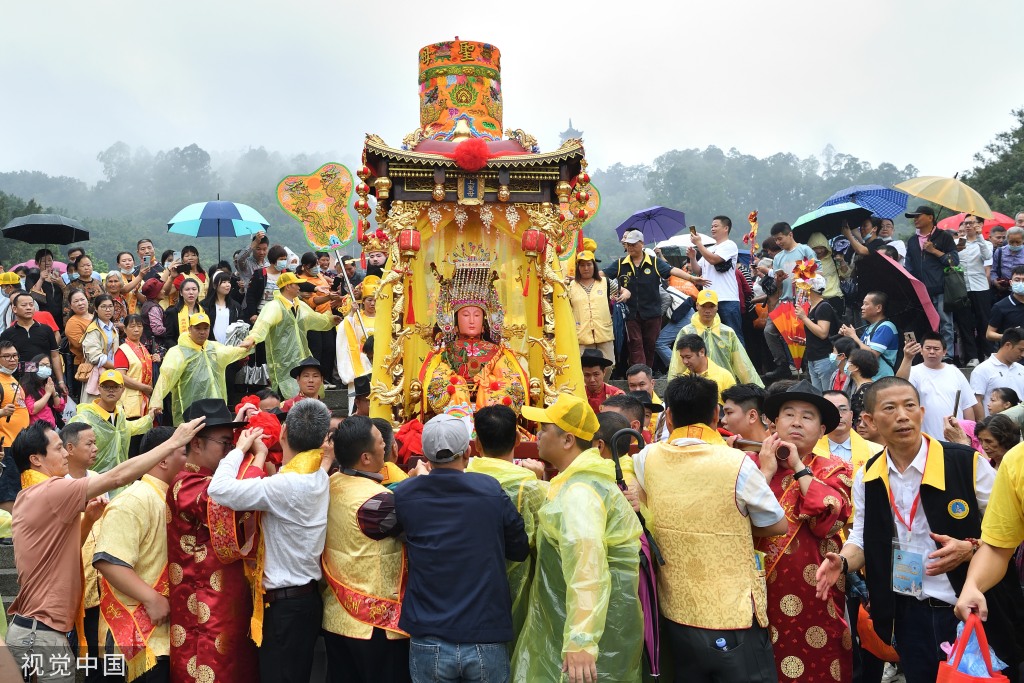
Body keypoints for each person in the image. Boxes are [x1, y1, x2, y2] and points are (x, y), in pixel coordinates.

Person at [815, 377, 1019, 683]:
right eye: (890, 408)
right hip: (909, 611)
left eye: (909, 406)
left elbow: (1009, 529)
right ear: (868, 420)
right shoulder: (868, 475)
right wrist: (843, 562)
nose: (902, 415)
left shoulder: (966, 463)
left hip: (971, 607)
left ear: (922, 412)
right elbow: (861, 535)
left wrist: (971, 548)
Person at [6, 417, 204, 683]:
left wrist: (88, 520)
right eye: (57, 448)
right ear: (36, 459)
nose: (66, 452)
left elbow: (58, 555)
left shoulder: (29, 495)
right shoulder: (50, 490)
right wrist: (173, 443)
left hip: (36, 630)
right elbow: (118, 476)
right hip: (40, 633)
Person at [632, 375, 786, 682]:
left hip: (674, 607)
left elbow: (648, 504)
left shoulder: (646, 457)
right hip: (732, 612)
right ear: (715, 415)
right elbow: (776, 524)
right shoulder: (737, 462)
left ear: (670, 416)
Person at [389, 413, 528, 683]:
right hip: (485, 631)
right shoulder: (489, 489)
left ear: (425, 457)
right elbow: (519, 548)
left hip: (429, 632)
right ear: (467, 452)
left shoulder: (406, 494)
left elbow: (376, 524)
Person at [513, 394, 642, 683]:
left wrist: (581, 641)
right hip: (586, 625)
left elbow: (588, 568)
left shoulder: (580, 493)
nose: (537, 435)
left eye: (544, 429)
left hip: (589, 638)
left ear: (568, 440)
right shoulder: (578, 483)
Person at [208, 399, 332, 682]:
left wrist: (240, 449)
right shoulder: (318, 477)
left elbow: (219, 489)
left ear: (284, 431)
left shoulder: (285, 485)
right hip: (304, 601)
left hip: (286, 609)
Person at [756, 380, 853, 682]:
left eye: (807, 416)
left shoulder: (836, 468)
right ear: (773, 422)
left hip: (817, 591)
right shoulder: (750, 465)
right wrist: (766, 472)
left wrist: (798, 465)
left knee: (822, 667)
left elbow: (829, 518)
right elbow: (735, 518)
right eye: (789, 414)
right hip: (760, 592)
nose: (797, 422)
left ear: (822, 430)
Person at [167, 399, 263, 682]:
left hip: (228, 599)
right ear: (196, 444)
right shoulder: (186, 484)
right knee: (211, 669)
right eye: (225, 443)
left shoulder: (212, 478)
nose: (232, 449)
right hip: (204, 604)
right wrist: (254, 457)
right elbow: (235, 502)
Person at [321, 415, 410, 683]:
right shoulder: (378, 503)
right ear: (366, 458)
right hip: (375, 627)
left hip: (336, 616)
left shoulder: (329, 483)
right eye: (382, 442)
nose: (387, 447)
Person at [91, 426, 183, 682]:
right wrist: (152, 599)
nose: (189, 461)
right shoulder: (134, 499)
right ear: (163, 458)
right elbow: (108, 561)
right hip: (131, 635)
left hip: (161, 636)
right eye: (184, 452)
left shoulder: (170, 497)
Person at [466, 404, 547, 647]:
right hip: (518, 579)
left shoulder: (463, 478)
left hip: (471, 580)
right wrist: (542, 480)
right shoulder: (530, 486)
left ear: (477, 444)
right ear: (518, 438)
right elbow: (543, 534)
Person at [603, 229, 700, 367]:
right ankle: (639, 374)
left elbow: (672, 270)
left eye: (633, 244)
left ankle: (646, 374)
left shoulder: (654, 262)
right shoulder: (620, 264)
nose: (630, 247)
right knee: (635, 344)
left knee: (650, 345)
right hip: (631, 314)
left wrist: (692, 278)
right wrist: (582, 276)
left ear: (642, 243)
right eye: (628, 245)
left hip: (652, 313)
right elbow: (603, 274)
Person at [242, 271, 341, 399]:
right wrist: (252, 339)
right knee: (286, 395)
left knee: (305, 394)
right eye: (296, 284)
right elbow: (262, 325)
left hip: (301, 358)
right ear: (288, 286)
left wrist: (330, 320)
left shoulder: (300, 306)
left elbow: (315, 319)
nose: (299, 287)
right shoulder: (274, 306)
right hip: (283, 360)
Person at [150, 312, 251, 425]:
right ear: (189, 329)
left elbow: (233, 351)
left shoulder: (214, 348)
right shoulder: (177, 352)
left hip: (216, 409)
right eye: (197, 328)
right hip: (189, 411)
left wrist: (250, 343)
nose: (202, 332)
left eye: (205, 328)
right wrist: (156, 401)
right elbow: (166, 377)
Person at [667, 289, 762, 386]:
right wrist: (673, 389)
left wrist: (755, 388)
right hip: (696, 388)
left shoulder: (728, 333)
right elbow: (677, 364)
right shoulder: (686, 332)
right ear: (697, 306)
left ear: (717, 307)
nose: (707, 311)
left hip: (724, 385)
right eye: (703, 306)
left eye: (712, 306)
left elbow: (742, 364)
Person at [70, 369, 154, 476]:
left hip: (119, 479)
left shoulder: (120, 413)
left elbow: (128, 429)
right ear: (99, 389)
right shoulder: (85, 418)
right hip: (94, 482)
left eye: (115, 387)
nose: (111, 390)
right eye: (106, 386)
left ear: (122, 390)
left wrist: (150, 417)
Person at [897, 332, 980, 437]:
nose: (932, 352)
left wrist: (970, 435)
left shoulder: (955, 372)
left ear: (944, 352)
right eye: (928, 348)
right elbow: (898, 387)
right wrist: (907, 358)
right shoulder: (913, 371)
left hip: (956, 438)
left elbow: (967, 406)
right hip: (926, 438)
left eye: (936, 349)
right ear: (921, 350)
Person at [763, 222, 818, 379]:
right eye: (776, 240)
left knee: (803, 334)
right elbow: (776, 285)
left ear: (790, 234)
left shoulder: (804, 250)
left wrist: (802, 278)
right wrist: (778, 280)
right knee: (769, 331)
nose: (778, 243)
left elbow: (818, 272)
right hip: (784, 300)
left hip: (804, 299)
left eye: (780, 239)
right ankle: (782, 365)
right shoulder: (778, 257)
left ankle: (806, 366)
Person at [904, 205, 959, 351]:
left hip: (941, 289)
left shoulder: (944, 236)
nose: (915, 219)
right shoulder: (912, 241)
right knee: (926, 323)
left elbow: (953, 261)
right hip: (921, 291)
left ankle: (947, 355)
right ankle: (928, 353)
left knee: (945, 322)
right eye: (914, 217)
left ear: (930, 217)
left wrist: (933, 250)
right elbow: (908, 266)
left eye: (918, 216)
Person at [688, 215, 744, 340]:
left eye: (716, 226)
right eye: (712, 226)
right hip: (708, 300)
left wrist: (698, 243)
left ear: (726, 228)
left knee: (733, 336)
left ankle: (739, 360)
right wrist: (692, 258)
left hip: (727, 298)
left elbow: (713, 260)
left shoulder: (730, 245)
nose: (712, 228)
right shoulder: (711, 248)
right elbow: (698, 270)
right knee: (712, 336)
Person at [0, 290, 66, 392]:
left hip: (45, 380)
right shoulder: (7, 334)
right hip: (18, 383)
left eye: (31, 305)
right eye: (24, 305)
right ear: (14, 309)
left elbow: (55, 355)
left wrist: (61, 381)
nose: (28, 307)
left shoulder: (46, 330)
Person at [567, 249, 617, 372]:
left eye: (589, 264)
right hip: (582, 334)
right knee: (583, 367)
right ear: (578, 267)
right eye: (582, 265)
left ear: (594, 266)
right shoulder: (570, 285)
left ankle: (604, 388)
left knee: (608, 365)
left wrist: (626, 293)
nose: (586, 268)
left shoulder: (605, 283)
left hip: (603, 331)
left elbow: (623, 291)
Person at [954, 215, 994, 366]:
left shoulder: (986, 243)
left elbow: (987, 256)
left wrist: (979, 237)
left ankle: (988, 353)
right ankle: (972, 357)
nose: (968, 226)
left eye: (972, 223)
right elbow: (952, 261)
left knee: (984, 321)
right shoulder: (957, 243)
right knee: (964, 323)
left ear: (980, 224)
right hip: (961, 287)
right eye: (966, 223)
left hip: (980, 286)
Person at [297, 251, 339, 387]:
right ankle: (314, 379)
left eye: (317, 264)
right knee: (316, 349)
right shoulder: (302, 280)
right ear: (304, 266)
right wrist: (328, 297)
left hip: (327, 318)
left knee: (330, 347)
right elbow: (312, 302)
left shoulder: (319, 274)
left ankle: (325, 377)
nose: (316, 268)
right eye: (313, 265)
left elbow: (327, 285)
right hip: (313, 319)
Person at [337, 275, 377, 413]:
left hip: (377, 360)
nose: (372, 304)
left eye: (375, 300)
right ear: (363, 301)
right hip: (360, 362)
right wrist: (352, 312)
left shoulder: (384, 319)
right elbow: (344, 330)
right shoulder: (357, 319)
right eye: (369, 300)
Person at [819, 390, 883, 473]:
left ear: (851, 415)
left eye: (843, 409)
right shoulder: (809, 451)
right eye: (830, 410)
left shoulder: (876, 451)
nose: (838, 415)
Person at [838, 290, 899, 379]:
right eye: (863, 304)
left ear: (878, 308)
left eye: (866, 304)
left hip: (881, 379)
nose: (862, 307)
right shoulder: (869, 327)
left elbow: (872, 355)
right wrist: (848, 336)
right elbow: (860, 349)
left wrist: (853, 336)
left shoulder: (886, 327)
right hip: (869, 378)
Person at [797, 275, 839, 390]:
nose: (801, 290)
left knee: (828, 395)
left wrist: (804, 318)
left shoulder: (823, 307)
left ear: (810, 289)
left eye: (803, 286)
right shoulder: (813, 307)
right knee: (819, 396)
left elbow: (823, 333)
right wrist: (807, 341)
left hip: (824, 359)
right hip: (813, 358)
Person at [971, 327, 1024, 414]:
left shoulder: (1022, 369)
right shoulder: (982, 369)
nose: (1022, 355)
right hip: (993, 425)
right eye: (1021, 350)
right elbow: (977, 401)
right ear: (1008, 345)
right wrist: (983, 425)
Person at [112, 314, 154, 420]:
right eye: (132, 326)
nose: (136, 329)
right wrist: (143, 387)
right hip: (129, 402)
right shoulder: (123, 350)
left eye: (139, 326)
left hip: (145, 399)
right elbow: (121, 377)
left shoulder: (144, 349)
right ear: (125, 329)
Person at [80, 293, 120, 402]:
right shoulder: (93, 329)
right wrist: (116, 367)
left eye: (110, 306)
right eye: (103, 306)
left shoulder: (113, 328)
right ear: (96, 309)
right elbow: (95, 357)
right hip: (97, 374)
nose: (108, 310)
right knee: (95, 406)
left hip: (112, 372)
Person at [673, 333, 735, 402]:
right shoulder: (683, 379)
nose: (685, 361)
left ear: (701, 352)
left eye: (688, 357)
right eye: (682, 357)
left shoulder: (724, 376)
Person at [244, 243, 291, 322]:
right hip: (262, 315)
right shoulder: (260, 274)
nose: (284, 262)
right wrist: (253, 314)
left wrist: (315, 288)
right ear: (273, 260)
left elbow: (300, 283)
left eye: (285, 259)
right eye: (281, 259)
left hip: (281, 316)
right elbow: (250, 295)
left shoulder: (286, 274)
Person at [21, 353, 65, 426]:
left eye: (47, 366)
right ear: (32, 366)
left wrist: (53, 391)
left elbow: (60, 407)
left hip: (51, 427)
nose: (45, 368)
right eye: (41, 365)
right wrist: (48, 394)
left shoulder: (48, 384)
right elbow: (32, 409)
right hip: (37, 429)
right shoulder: (27, 387)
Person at [200, 270, 243, 345]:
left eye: (229, 282)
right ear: (214, 285)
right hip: (210, 346)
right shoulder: (204, 305)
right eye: (224, 282)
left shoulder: (235, 306)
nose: (228, 285)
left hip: (230, 348)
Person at [64, 288, 94, 391]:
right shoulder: (72, 322)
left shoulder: (96, 317)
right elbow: (80, 344)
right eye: (76, 301)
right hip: (84, 366)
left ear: (87, 300)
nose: (80, 303)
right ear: (71, 306)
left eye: (82, 299)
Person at [162, 277, 203, 347]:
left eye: (194, 289)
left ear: (198, 292)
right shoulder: (173, 312)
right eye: (187, 290)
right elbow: (168, 339)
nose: (191, 292)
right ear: (181, 293)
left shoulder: (204, 311)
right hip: (180, 353)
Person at [987, 266, 1024, 341]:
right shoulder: (1000, 306)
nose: (1021, 283)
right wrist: (1009, 337)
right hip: (1011, 350)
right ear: (1011, 282)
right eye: (1017, 280)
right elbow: (989, 334)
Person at [63, 255, 104, 321]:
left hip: (100, 321)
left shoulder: (99, 283)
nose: (86, 268)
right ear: (76, 269)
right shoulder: (71, 287)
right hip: (80, 322)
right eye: (82, 266)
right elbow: (66, 309)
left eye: (88, 265)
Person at [581, 348, 623, 413]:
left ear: (604, 372)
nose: (592, 380)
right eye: (587, 375)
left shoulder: (616, 395)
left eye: (596, 374)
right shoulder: (577, 394)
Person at [990, 226, 1024, 300]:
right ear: (1007, 239)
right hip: (1004, 291)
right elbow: (993, 271)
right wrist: (996, 282)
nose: (1015, 245)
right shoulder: (1000, 252)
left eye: (1018, 242)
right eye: (1011, 242)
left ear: (1023, 240)